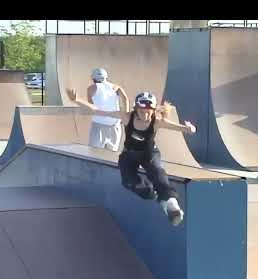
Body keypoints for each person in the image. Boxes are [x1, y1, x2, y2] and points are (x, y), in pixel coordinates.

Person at [67, 88, 196, 226]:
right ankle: (152, 194)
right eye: (142, 112)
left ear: (153, 111)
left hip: (149, 154)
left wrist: (189, 129)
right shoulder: (127, 117)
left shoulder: (157, 121)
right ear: (136, 109)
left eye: (148, 112)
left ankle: (171, 204)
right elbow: (97, 110)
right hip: (129, 154)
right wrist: (76, 100)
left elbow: (181, 128)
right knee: (128, 181)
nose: (145, 115)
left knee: (157, 172)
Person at [86, 68, 130, 151]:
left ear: (93, 78)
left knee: (94, 153)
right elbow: (125, 99)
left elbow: (91, 106)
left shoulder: (91, 88)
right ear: (106, 77)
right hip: (114, 125)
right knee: (111, 155)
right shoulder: (116, 87)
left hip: (98, 125)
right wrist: (125, 115)